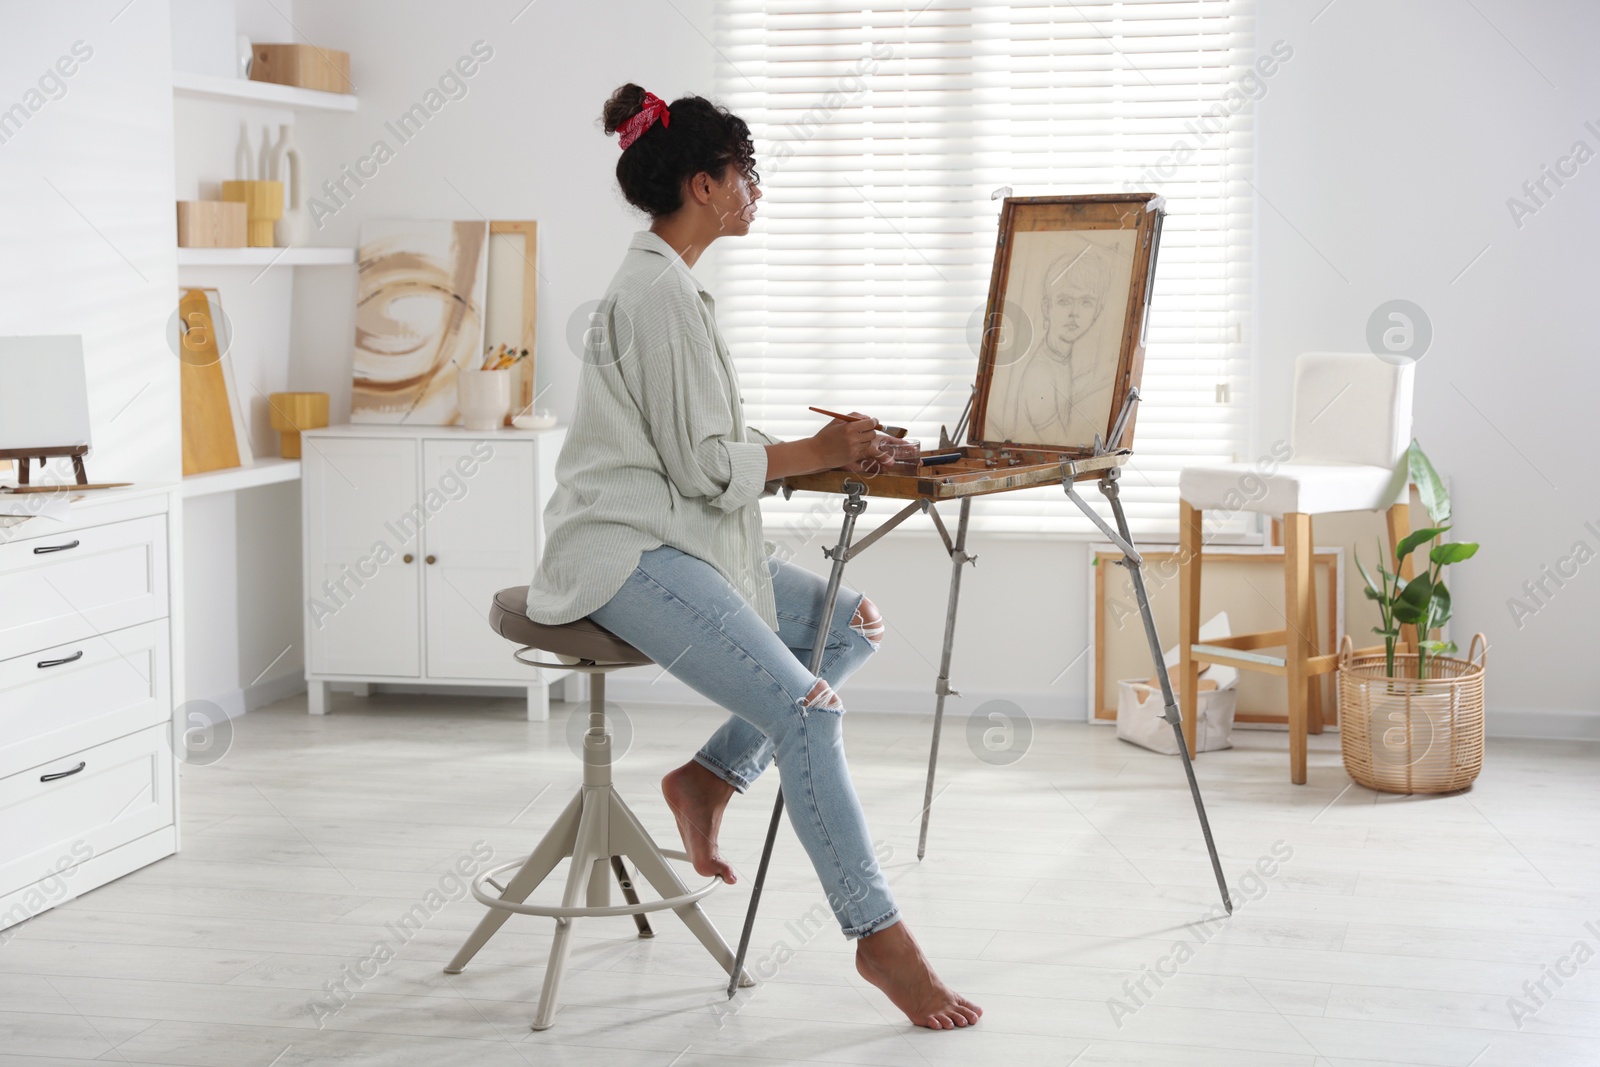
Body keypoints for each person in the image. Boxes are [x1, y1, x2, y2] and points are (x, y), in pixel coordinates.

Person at [524, 84, 982, 1031]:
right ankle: (879, 938)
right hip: (622, 550)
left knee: (847, 626)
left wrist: (840, 448)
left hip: (677, 532)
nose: (756, 192)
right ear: (703, 184)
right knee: (810, 715)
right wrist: (819, 453)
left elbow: (701, 447)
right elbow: (702, 466)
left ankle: (708, 778)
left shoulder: (672, 284)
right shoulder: (657, 294)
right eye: (747, 175)